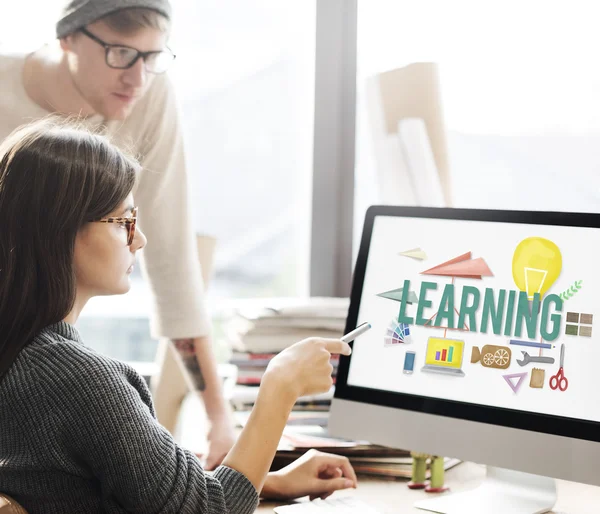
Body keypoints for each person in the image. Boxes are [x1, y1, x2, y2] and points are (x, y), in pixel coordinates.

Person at [0, 118, 357, 513]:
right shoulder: (79, 381)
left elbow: (104, 489)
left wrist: (266, 482)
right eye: (124, 222)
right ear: (61, 232)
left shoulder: (22, 357)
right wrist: (280, 387)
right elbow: (208, 510)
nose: (140, 240)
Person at [0, 0, 235, 468]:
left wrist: (218, 418)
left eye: (153, 57)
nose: (138, 78)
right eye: (121, 54)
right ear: (67, 37)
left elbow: (170, 257)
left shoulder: (149, 93)